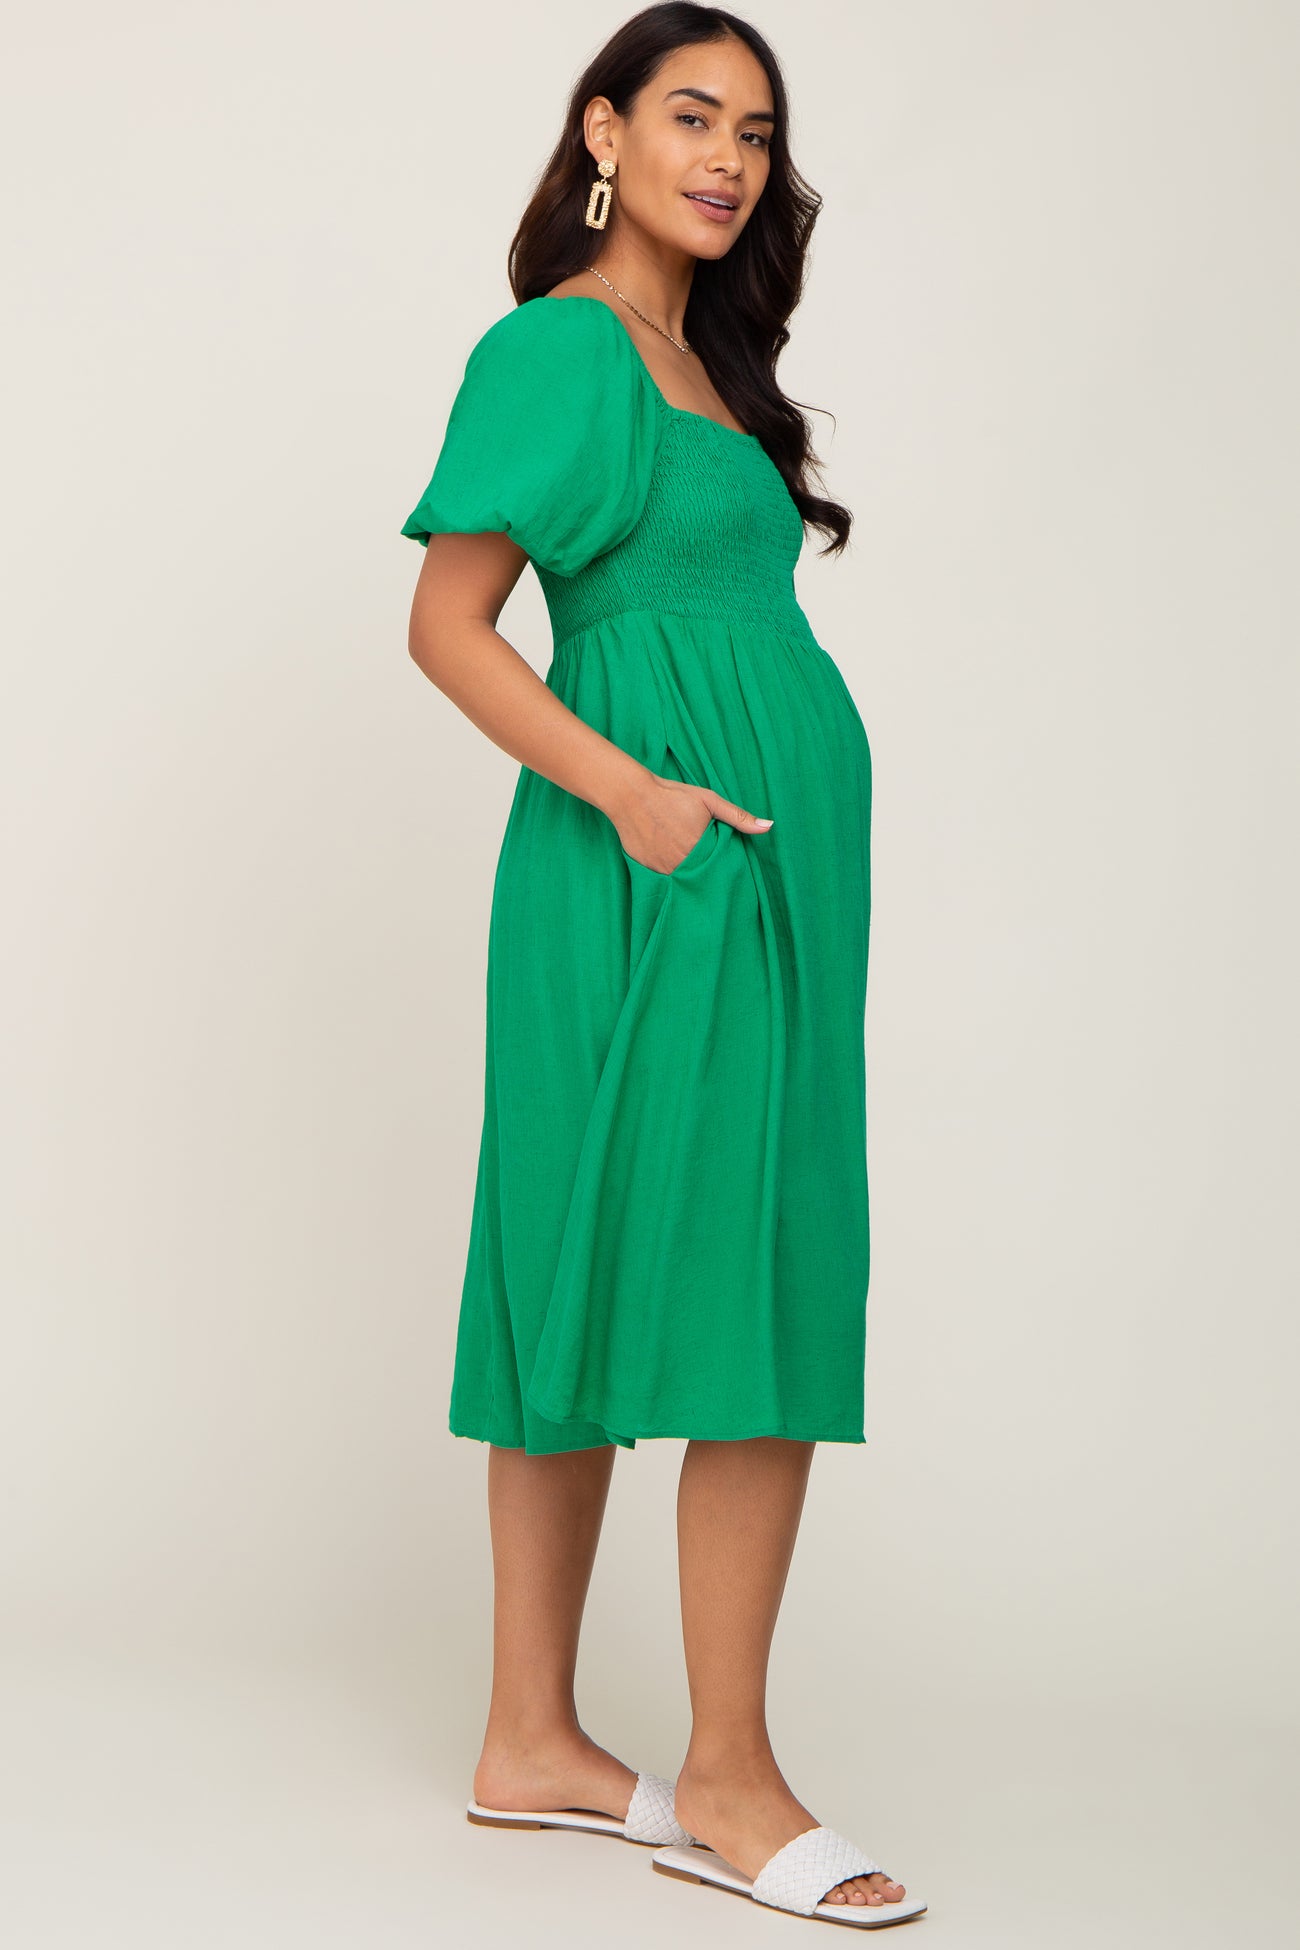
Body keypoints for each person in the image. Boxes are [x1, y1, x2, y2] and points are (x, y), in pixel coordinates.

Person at [400, 5, 923, 1927]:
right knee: (666, 1254)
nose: (729, 157)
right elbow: (448, 622)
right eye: (692, 115)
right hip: (642, 865)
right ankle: (723, 1772)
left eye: (758, 133)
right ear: (604, 133)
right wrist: (638, 801)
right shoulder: (561, 349)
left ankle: (530, 1740)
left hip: (753, 876)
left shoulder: (710, 366)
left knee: (718, 1243)